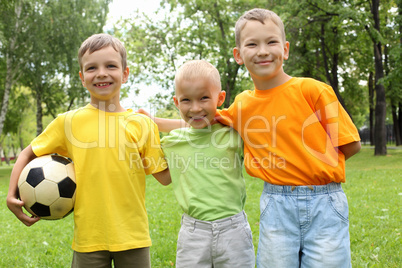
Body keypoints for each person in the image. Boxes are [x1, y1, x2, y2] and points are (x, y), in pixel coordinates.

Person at [146, 8, 361, 268]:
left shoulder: (313, 90)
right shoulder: (243, 106)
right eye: (252, 44)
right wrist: (153, 122)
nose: (262, 51)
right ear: (238, 55)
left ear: (285, 49)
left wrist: (309, 167)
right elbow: (201, 121)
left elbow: (350, 145)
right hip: (276, 202)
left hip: (325, 200)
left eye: (271, 42)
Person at [6, 33, 171, 268]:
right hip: (89, 239)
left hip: (133, 237)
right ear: (83, 78)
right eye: (92, 68)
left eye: (110, 65)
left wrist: (190, 141)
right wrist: (11, 195)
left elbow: (164, 177)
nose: (101, 73)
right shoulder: (68, 122)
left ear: (125, 73)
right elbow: (27, 153)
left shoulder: (142, 124)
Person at [156, 60, 255, 267]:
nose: (195, 108)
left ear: (220, 98)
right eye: (186, 100)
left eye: (204, 98)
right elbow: (165, 178)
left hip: (234, 230)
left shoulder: (233, 134)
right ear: (176, 102)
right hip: (194, 233)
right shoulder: (173, 142)